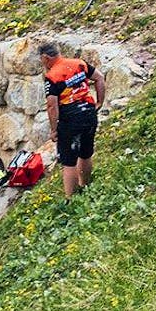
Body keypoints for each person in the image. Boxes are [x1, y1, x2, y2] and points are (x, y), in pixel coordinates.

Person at [39, 42, 106, 198]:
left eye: (41, 60)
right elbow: (99, 78)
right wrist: (99, 102)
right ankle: (86, 186)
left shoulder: (52, 76)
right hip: (89, 113)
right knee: (85, 153)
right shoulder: (79, 63)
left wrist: (54, 129)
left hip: (70, 119)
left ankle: (71, 198)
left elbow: (52, 105)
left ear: (45, 57)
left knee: (69, 161)